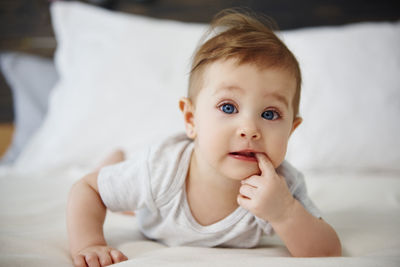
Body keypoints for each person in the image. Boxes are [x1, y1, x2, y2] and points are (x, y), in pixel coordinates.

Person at [67, 8, 342, 267]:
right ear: (191, 119)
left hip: (161, 202)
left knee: (132, 200)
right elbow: (87, 189)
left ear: (291, 130)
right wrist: (89, 244)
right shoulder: (160, 170)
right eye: (228, 107)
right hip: (154, 207)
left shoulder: (282, 190)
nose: (249, 129)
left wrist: (284, 213)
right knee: (125, 197)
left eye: (270, 114)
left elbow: (328, 253)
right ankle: (113, 162)